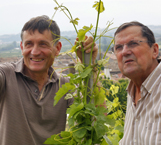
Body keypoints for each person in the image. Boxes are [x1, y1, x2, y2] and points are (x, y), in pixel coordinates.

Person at [0, 15, 98, 145]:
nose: (34, 52)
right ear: (22, 47)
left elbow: (96, 116)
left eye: (43, 44)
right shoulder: (7, 75)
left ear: (57, 49)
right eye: (29, 44)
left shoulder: (65, 86)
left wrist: (90, 65)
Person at [112, 21, 161, 145]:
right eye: (119, 47)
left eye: (133, 44)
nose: (124, 52)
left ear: (155, 50)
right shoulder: (133, 90)